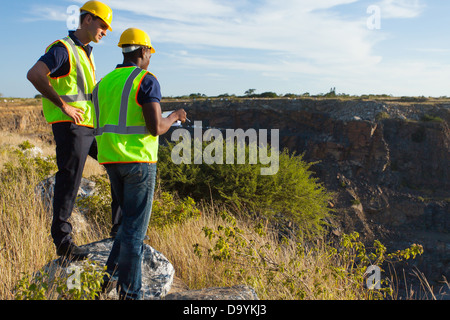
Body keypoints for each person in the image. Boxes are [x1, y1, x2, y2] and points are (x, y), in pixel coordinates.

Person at [92, 27, 186, 300]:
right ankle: (131, 295)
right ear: (144, 51)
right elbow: (156, 126)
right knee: (134, 232)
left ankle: (103, 283)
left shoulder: (104, 82)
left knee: (126, 226)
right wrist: (175, 116)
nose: (150, 58)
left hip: (111, 160)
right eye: (149, 53)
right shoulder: (146, 80)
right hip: (139, 162)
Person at [26, 1, 121, 260]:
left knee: (118, 163)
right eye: (103, 25)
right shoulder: (63, 49)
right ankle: (63, 242)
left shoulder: (85, 52)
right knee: (70, 178)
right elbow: (34, 75)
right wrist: (63, 106)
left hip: (89, 126)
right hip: (71, 126)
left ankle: (119, 228)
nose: (105, 31)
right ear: (87, 20)